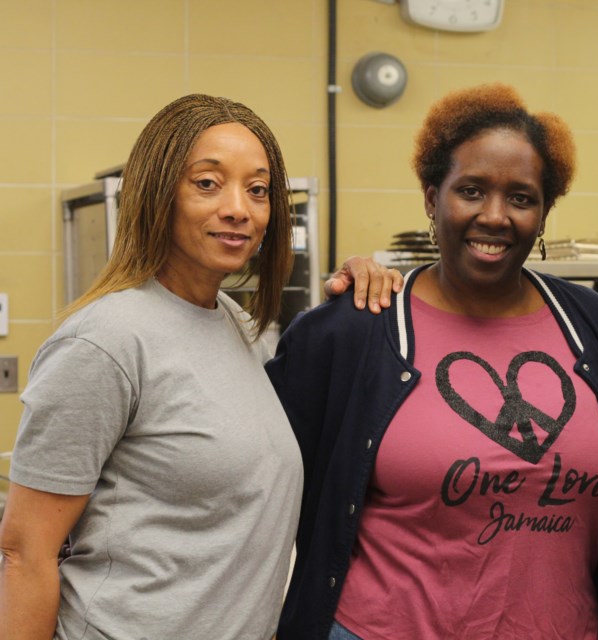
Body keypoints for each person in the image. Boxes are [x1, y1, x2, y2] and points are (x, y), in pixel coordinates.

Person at [0, 93, 400, 640]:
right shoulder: (107, 339)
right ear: (158, 194)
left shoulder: (235, 325)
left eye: (257, 190)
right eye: (207, 183)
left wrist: (357, 285)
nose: (239, 208)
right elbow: (25, 553)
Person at [266, 84, 598, 639]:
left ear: (544, 211)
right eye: (470, 190)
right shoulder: (357, 329)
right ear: (431, 196)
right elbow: (255, 484)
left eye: (521, 197)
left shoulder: (594, 327)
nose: (495, 216)